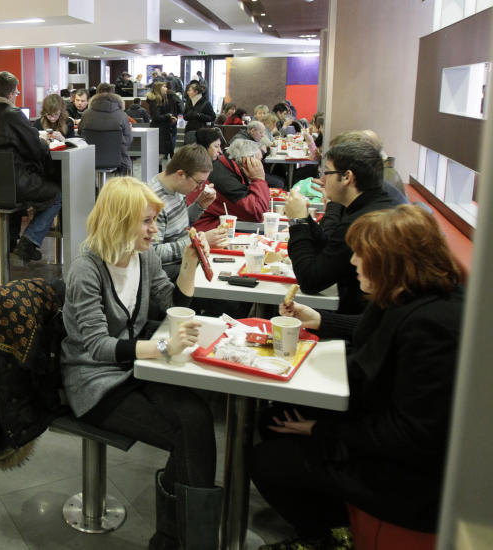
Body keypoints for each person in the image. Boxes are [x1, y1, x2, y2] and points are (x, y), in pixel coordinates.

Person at [251, 205, 464, 550]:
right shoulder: (408, 295)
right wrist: (318, 319)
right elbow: (374, 334)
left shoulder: (433, 327)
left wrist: (321, 430)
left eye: (360, 255)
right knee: (272, 419)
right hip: (380, 425)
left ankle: (333, 535)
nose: (352, 263)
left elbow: (412, 435)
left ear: (389, 262)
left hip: (412, 477)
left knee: (265, 461)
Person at [60, 176, 220, 550]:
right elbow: (98, 347)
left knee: (196, 417)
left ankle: (182, 539)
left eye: (154, 220)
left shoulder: (142, 257)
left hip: (134, 367)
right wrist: (163, 346)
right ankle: (180, 539)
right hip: (94, 382)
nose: (155, 229)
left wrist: (189, 266)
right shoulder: (87, 270)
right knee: (186, 435)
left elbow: (169, 303)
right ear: (119, 221)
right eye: (147, 221)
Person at [284, 134, 400, 314]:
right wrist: (305, 218)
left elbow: (309, 280)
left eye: (327, 172)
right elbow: (331, 248)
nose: (322, 180)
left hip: (361, 314)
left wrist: (297, 222)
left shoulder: (365, 220)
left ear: (347, 177)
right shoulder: (371, 200)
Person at [0, 71, 62, 263]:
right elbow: (35, 147)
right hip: (13, 187)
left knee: (14, 190)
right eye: (16, 93)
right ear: (10, 94)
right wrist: (45, 142)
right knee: (56, 194)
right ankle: (29, 241)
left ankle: (9, 241)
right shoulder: (12, 114)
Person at [149, 144, 224, 279]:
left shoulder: (176, 188)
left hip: (182, 261)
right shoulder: (153, 201)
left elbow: (176, 227)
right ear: (181, 174)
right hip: (166, 273)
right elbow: (151, 253)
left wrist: (199, 205)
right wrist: (196, 243)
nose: (200, 188)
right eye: (199, 182)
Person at [193, 138, 270, 231]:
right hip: (205, 233)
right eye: (259, 161)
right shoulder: (224, 179)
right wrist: (259, 179)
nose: (261, 166)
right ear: (246, 161)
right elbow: (258, 214)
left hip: (215, 227)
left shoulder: (225, 166)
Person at [78, 83, 133, 174]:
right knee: (125, 158)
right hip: (118, 160)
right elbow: (128, 140)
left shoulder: (86, 114)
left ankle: (94, 188)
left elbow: (81, 134)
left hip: (89, 159)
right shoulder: (122, 115)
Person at [145, 81, 176, 158]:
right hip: (158, 131)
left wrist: (170, 118)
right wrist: (168, 116)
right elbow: (156, 117)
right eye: (164, 87)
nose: (166, 88)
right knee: (158, 156)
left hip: (162, 130)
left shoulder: (161, 99)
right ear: (159, 89)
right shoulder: (155, 101)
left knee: (160, 156)